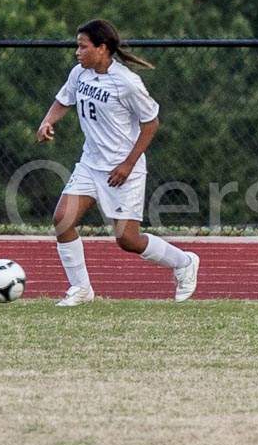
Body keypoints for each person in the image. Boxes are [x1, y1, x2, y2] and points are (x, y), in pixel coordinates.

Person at [36, 19, 200, 306]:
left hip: (123, 170)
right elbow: (63, 100)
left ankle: (184, 262)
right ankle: (82, 289)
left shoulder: (126, 82)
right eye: (77, 46)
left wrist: (127, 165)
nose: (77, 52)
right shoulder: (80, 74)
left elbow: (151, 123)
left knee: (128, 240)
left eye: (83, 47)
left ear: (102, 49)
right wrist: (48, 121)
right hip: (90, 164)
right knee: (63, 220)